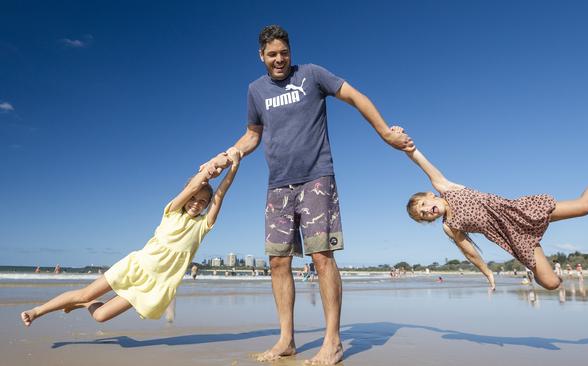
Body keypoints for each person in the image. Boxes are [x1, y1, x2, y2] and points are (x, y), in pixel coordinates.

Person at [201, 25, 413, 365]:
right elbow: (252, 136)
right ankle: (286, 340)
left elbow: (355, 96)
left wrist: (385, 132)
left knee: (321, 256)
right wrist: (226, 155)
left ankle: (332, 342)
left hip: (316, 177)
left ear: (290, 51)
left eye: (283, 52)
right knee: (277, 261)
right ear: (261, 56)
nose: (279, 59)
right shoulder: (256, 90)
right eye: (272, 54)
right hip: (278, 185)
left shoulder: (312, 75)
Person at [401, 129, 588, 290]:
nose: (426, 211)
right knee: (550, 284)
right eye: (422, 215)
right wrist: (487, 273)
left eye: (423, 204)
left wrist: (405, 143)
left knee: (585, 207)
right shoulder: (449, 226)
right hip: (515, 238)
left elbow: (421, 161)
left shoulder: (446, 187)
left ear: (429, 194)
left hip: (520, 212)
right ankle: (553, 270)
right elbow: (470, 253)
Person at [20, 150, 240, 327]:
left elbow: (220, 194)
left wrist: (234, 167)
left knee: (100, 316)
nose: (197, 203)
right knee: (85, 292)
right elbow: (194, 185)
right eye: (194, 198)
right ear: (186, 196)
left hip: (153, 285)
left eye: (203, 201)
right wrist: (211, 167)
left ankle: (85, 304)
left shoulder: (203, 226)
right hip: (135, 267)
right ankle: (37, 311)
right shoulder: (171, 211)